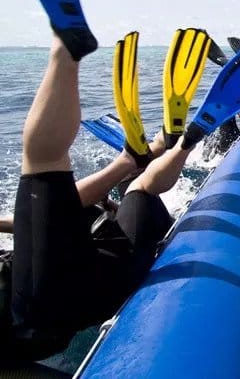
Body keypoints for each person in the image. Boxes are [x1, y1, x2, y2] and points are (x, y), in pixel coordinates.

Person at [4, 35, 191, 362]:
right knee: (50, 175)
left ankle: (176, 145)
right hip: (43, 301)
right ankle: (66, 47)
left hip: (64, 296)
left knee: (133, 191)